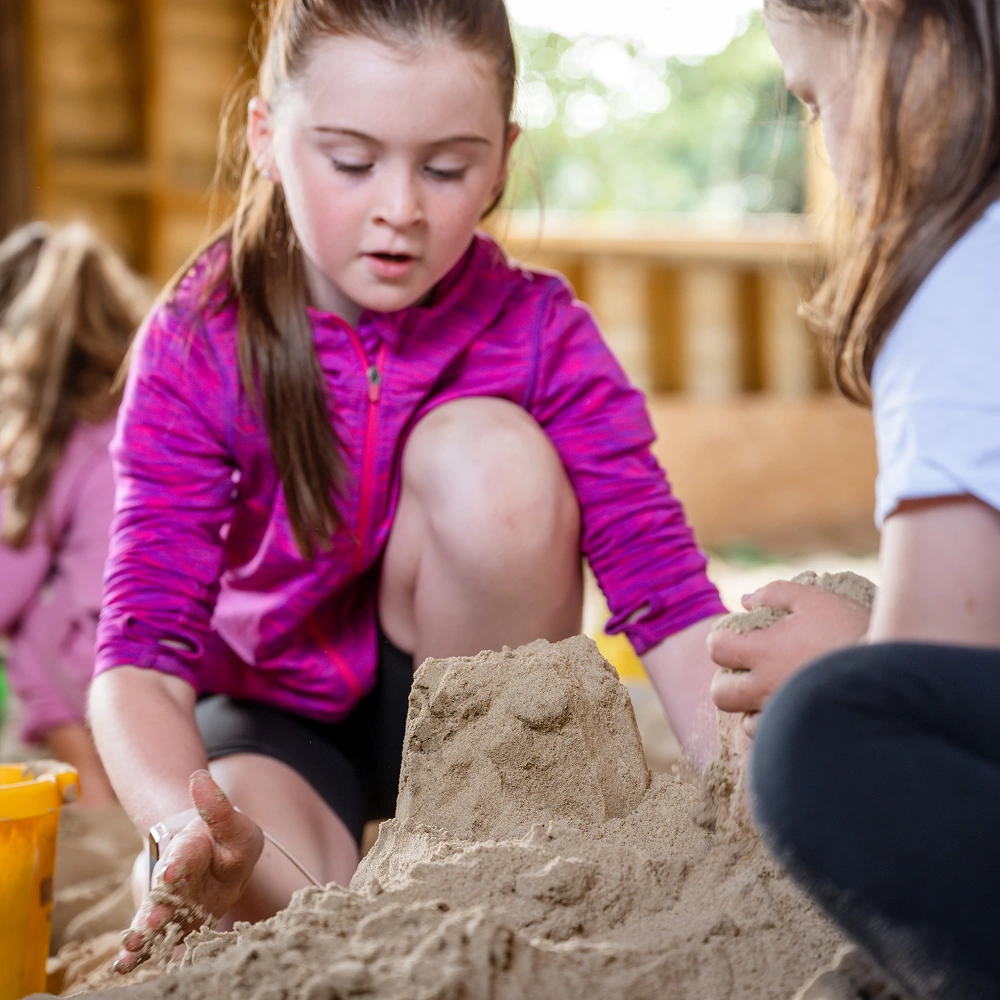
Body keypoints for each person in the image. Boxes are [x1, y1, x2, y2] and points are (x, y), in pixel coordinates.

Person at [92, 0, 729, 972]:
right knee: (226, 886)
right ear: (266, 135)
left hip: (470, 717)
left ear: (503, 159)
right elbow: (139, 660)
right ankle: (342, 895)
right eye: (351, 162)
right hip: (274, 720)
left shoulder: (541, 334)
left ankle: (479, 859)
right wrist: (180, 826)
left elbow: (668, 598)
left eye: (446, 168)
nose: (400, 207)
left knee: (491, 459)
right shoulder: (198, 341)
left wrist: (751, 783)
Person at [708, 0, 1000, 995]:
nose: (826, 147)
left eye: (813, 98)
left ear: (891, 33)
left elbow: (934, 684)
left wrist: (844, 656)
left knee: (826, 730)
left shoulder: (961, 275)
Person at [0, 221, 148, 808]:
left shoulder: (50, 433)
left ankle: (94, 796)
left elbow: (7, 587)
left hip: (98, 652)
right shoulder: (141, 400)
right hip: (176, 633)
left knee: (35, 632)